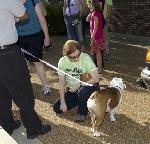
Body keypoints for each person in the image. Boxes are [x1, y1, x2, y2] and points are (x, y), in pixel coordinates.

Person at [0, 0, 51, 139]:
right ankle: (33, 127)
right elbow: (25, 15)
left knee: (2, 91)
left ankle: (7, 124)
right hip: (7, 53)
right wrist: (10, 20)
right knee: (23, 90)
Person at [53, 40, 99, 122]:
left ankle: (82, 113)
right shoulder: (62, 62)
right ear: (66, 55)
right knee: (57, 108)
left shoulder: (86, 58)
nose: (77, 58)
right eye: (73, 57)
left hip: (89, 86)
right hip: (72, 89)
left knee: (83, 91)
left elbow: (95, 78)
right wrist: (63, 102)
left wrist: (79, 84)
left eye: (78, 55)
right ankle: (82, 100)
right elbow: (61, 83)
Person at [16, 0, 51, 95]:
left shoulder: (33, 1)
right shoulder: (12, 2)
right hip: (18, 37)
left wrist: (46, 37)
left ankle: (45, 85)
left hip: (35, 35)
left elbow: (41, 18)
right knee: (21, 63)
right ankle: (25, 85)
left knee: (37, 62)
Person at [86, 0, 105, 74]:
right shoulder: (95, 13)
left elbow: (95, 27)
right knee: (97, 53)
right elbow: (87, 20)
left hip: (96, 37)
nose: (88, 6)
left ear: (92, 5)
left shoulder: (95, 14)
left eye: (88, 4)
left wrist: (92, 37)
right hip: (97, 36)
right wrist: (90, 13)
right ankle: (99, 68)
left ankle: (99, 69)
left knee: (97, 53)